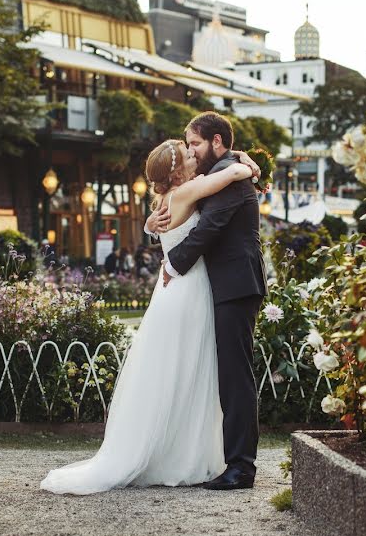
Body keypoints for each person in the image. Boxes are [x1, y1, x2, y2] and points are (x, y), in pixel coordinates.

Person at [39, 137, 255, 495]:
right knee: (190, 373)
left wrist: (147, 226)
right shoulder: (188, 193)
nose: (192, 153)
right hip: (190, 290)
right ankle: (184, 456)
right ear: (176, 172)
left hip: (173, 291)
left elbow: (164, 226)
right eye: (187, 153)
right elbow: (231, 173)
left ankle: (176, 452)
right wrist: (248, 165)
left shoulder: (167, 201)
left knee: (177, 373)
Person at [146, 112, 267, 491]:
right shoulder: (225, 171)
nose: (193, 153)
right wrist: (154, 230)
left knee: (235, 377)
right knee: (224, 375)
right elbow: (181, 215)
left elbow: (210, 228)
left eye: (196, 144)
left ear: (217, 142)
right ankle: (228, 461)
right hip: (223, 284)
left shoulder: (231, 175)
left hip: (235, 284)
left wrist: (173, 263)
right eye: (188, 148)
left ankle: (241, 467)